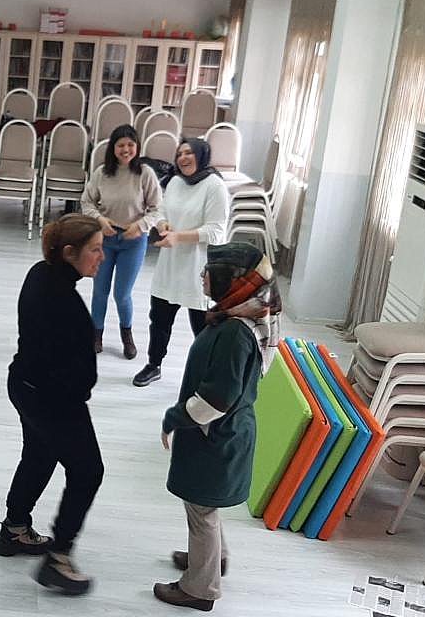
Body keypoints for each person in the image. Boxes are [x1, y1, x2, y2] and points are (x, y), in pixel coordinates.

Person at [155, 242, 279, 611]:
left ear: (231, 281)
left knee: (201, 511)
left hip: (216, 436)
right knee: (205, 506)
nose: (202, 275)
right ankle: (212, 559)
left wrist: (174, 417)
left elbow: (217, 398)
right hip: (227, 432)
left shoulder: (233, 333)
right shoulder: (247, 315)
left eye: (210, 272)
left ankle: (199, 588)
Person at [0, 213, 106, 596]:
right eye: (95, 250)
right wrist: (79, 394)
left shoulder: (39, 273)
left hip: (23, 385)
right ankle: (58, 558)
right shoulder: (67, 304)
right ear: (69, 252)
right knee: (88, 471)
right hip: (53, 399)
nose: (102, 257)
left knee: (40, 454)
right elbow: (79, 372)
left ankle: (14, 530)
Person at [133, 139, 229, 388]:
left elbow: (216, 231)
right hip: (170, 264)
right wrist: (162, 224)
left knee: (202, 328)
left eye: (189, 153)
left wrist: (179, 237)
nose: (183, 158)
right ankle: (154, 365)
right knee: (159, 320)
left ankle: (206, 376)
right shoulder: (175, 181)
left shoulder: (215, 186)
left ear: (201, 155)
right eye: (179, 154)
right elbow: (161, 211)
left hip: (199, 268)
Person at [80, 124, 162, 359]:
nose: (126, 150)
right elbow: (87, 202)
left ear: (137, 147)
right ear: (113, 148)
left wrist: (140, 226)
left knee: (122, 294)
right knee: (100, 291)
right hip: (104, 239)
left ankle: (127, 334)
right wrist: (100, 220)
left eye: (130, 145)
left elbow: (157, 209)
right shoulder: (102, 173)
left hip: (133, 240)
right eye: (120, 145)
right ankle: (96, 334)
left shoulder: (145, 173)